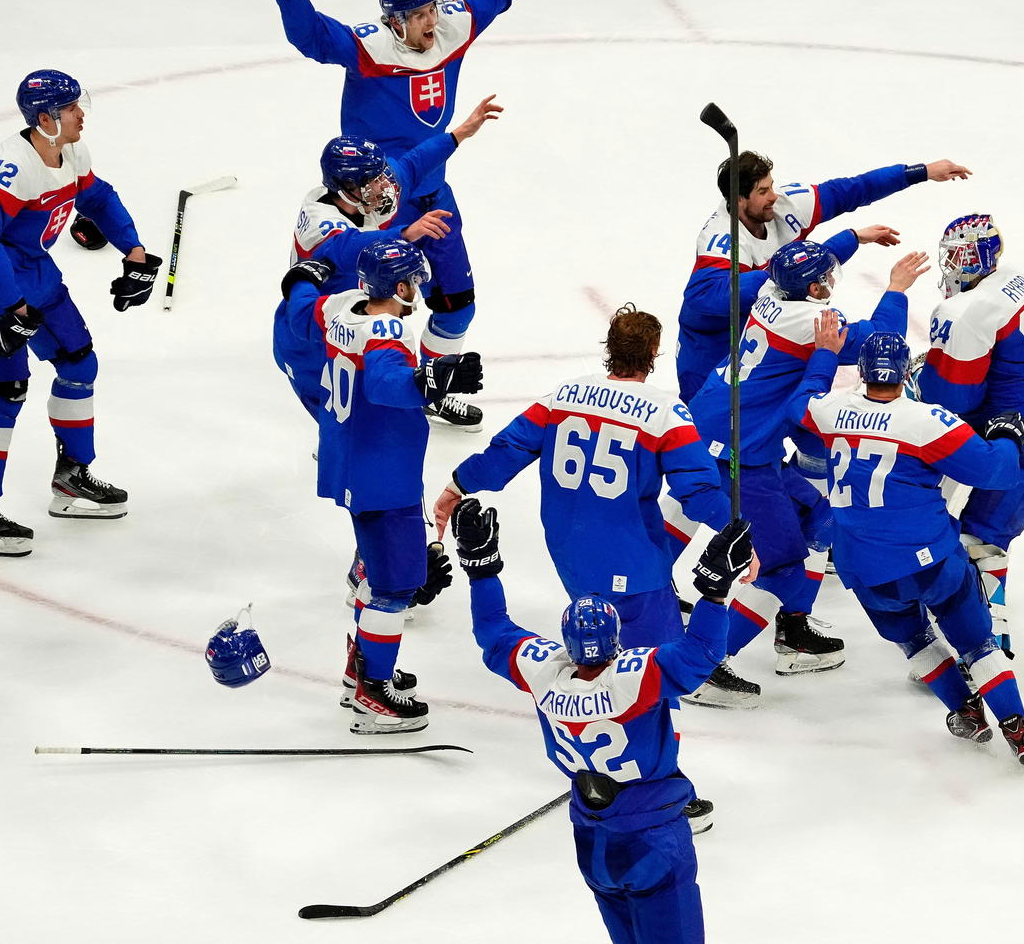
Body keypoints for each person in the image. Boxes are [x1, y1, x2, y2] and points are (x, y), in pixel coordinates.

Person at [260, 0, 567, 429]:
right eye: (418, 14)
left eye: (431, 9)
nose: (431, 21)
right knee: (353, 308)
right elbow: (314, 37)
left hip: (429, 187)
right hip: (373, 199)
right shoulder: (370, 47)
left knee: (458, 302)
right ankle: (343, 403)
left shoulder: (451, 27)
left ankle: (433, 385)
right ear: (394, 21)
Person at [451, 497, 753, 943]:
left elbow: (493, 632)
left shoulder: (544, 672)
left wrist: (481, 570)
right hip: (652, 837)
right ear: (615, 639)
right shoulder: (632, 679)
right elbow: (700, 656)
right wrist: (714, 593)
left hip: (592, 841)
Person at [673, 241, 930, 708]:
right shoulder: (807, 321)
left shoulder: (773, 290)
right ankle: (703, 666)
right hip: (738, 452)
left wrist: (852, 236)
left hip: (725, 428)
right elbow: (878, 341)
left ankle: (793, 633)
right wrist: (895, 288)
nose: (830, 284)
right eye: (824, 279)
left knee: (818, 515)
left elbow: (793, 268)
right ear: (811, 287)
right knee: (785, 566)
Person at [791, 331, 1024, 763]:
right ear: (907, 371)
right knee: (978, 643)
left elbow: (802, 402)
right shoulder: (926, 420)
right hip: (931, 558)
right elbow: (994, 472)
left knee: (916, 641)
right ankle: (1016, 727)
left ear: (863, 373)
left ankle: (965, 712)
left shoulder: (830, 410)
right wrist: (1005, 436)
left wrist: (823, 355)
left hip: (865, 568)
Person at [0, 69, 159, 557]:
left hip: (36, 274)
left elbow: (98, 197)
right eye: (70, 108)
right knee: (5, 392)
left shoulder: (71, 152)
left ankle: (71, 479)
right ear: (45, 119)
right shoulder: (11, 166)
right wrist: (12, 305)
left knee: (79, 364)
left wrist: (134, 249)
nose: (81, 114)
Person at [431, 305, 729, 648]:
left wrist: (458, 484)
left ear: (609, 348)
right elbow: (699, 493)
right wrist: (738, 535)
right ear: (652, 353)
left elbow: (503, 454)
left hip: (571, 556)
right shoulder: (665, 413)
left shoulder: (562, 397)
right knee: (653, 674)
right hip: (633, 565)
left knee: (596, 651)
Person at [282, 239, 482, 733]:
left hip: (348, 460)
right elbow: (386, 384)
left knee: (377, 574)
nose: (418, 285)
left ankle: (362, 669)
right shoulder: (387, 331)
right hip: (382, 473)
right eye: (413, 278)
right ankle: (373, 692)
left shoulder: (341, 307)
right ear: (398, 286)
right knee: (393, 590)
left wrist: (304, 274)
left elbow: (298, 305)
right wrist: (437, 378)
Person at [272, 94, 502, 429]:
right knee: (345, 425)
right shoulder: (320, 219)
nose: (384, 185)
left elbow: (412, 163)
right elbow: (346, 248)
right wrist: (406, 232)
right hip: (312, 330)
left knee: (375, 401)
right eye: (373, 180)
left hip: (352, 314)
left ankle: (426, 394)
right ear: (347, 187)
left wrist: (459, 134)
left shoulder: (369, 194)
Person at [674, 149, 971, 404]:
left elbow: (853, 189)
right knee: (706, 426)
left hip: (763, 327)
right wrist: (776, 276)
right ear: (739, 200)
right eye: (763, 192)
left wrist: (921, 172)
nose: (774, 197)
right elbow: (704, 300)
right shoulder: (720, 241)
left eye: (771, 186)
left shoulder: (786, 205)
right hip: (712, 344)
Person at [913, 214, 1024, 655]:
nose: (948, 265)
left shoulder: (964, 310)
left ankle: (986, 652)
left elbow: (951, 402)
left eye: (954, 255)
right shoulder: (1014, 281)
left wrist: (919, 380)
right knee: (972, 536)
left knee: (978, 544)